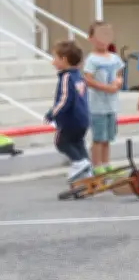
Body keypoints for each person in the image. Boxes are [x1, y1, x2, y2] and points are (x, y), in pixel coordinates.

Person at [82, 21, 125, 174]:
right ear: (91, 38)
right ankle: (97, 165)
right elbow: (87, 79)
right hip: (97, 105)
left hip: (111, 105)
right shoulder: (92, 59)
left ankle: (106, 163)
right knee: (98, 137)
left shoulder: (114, 58)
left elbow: (119, 75)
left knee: (108, 137)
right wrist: (106, 88)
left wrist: (117, 83)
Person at [45, 41, 91, 181]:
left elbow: (65, 99)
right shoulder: (79, 77)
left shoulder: (66, 77)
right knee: (78, 142)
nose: (53, 62)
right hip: (82, 119)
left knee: (61, 142)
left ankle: (79, 163)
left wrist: (52, 113)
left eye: (55, 58)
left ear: (64, 60)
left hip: (70, 120)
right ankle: (87, 169)